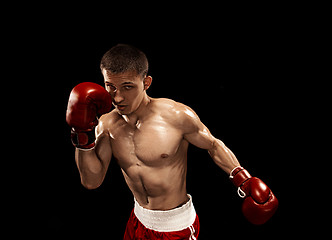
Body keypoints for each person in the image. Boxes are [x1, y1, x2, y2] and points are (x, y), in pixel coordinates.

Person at [66, 44, 278, 239]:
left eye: (127, 87)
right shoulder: (106, 124)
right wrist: (81, 135)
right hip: (138, 220)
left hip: (175, 227)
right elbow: (91, 181)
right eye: (110, 86)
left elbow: (213, 144)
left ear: (146, 82)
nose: (117, 97)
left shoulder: (176, 116)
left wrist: (243, 179)